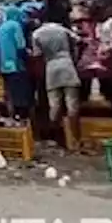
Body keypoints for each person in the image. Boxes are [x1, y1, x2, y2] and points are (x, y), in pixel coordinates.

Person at [33, 16, 82, 149]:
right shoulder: (62, 29)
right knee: (72, 105)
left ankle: (56, 137)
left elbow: (37, 56)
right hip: (67, 65)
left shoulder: (37, 34)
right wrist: (75, 58)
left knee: (54, 105)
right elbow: (79, 41)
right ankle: (74, 138)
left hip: (51, 68)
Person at [0, 4, 32, 122]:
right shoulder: (16, 26)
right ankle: (20, 117)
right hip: (16, 64)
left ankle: (10, 116)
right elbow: (20, 45)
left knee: (9, 93)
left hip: (4, 65)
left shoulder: (1, 27)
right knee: (20, 93)